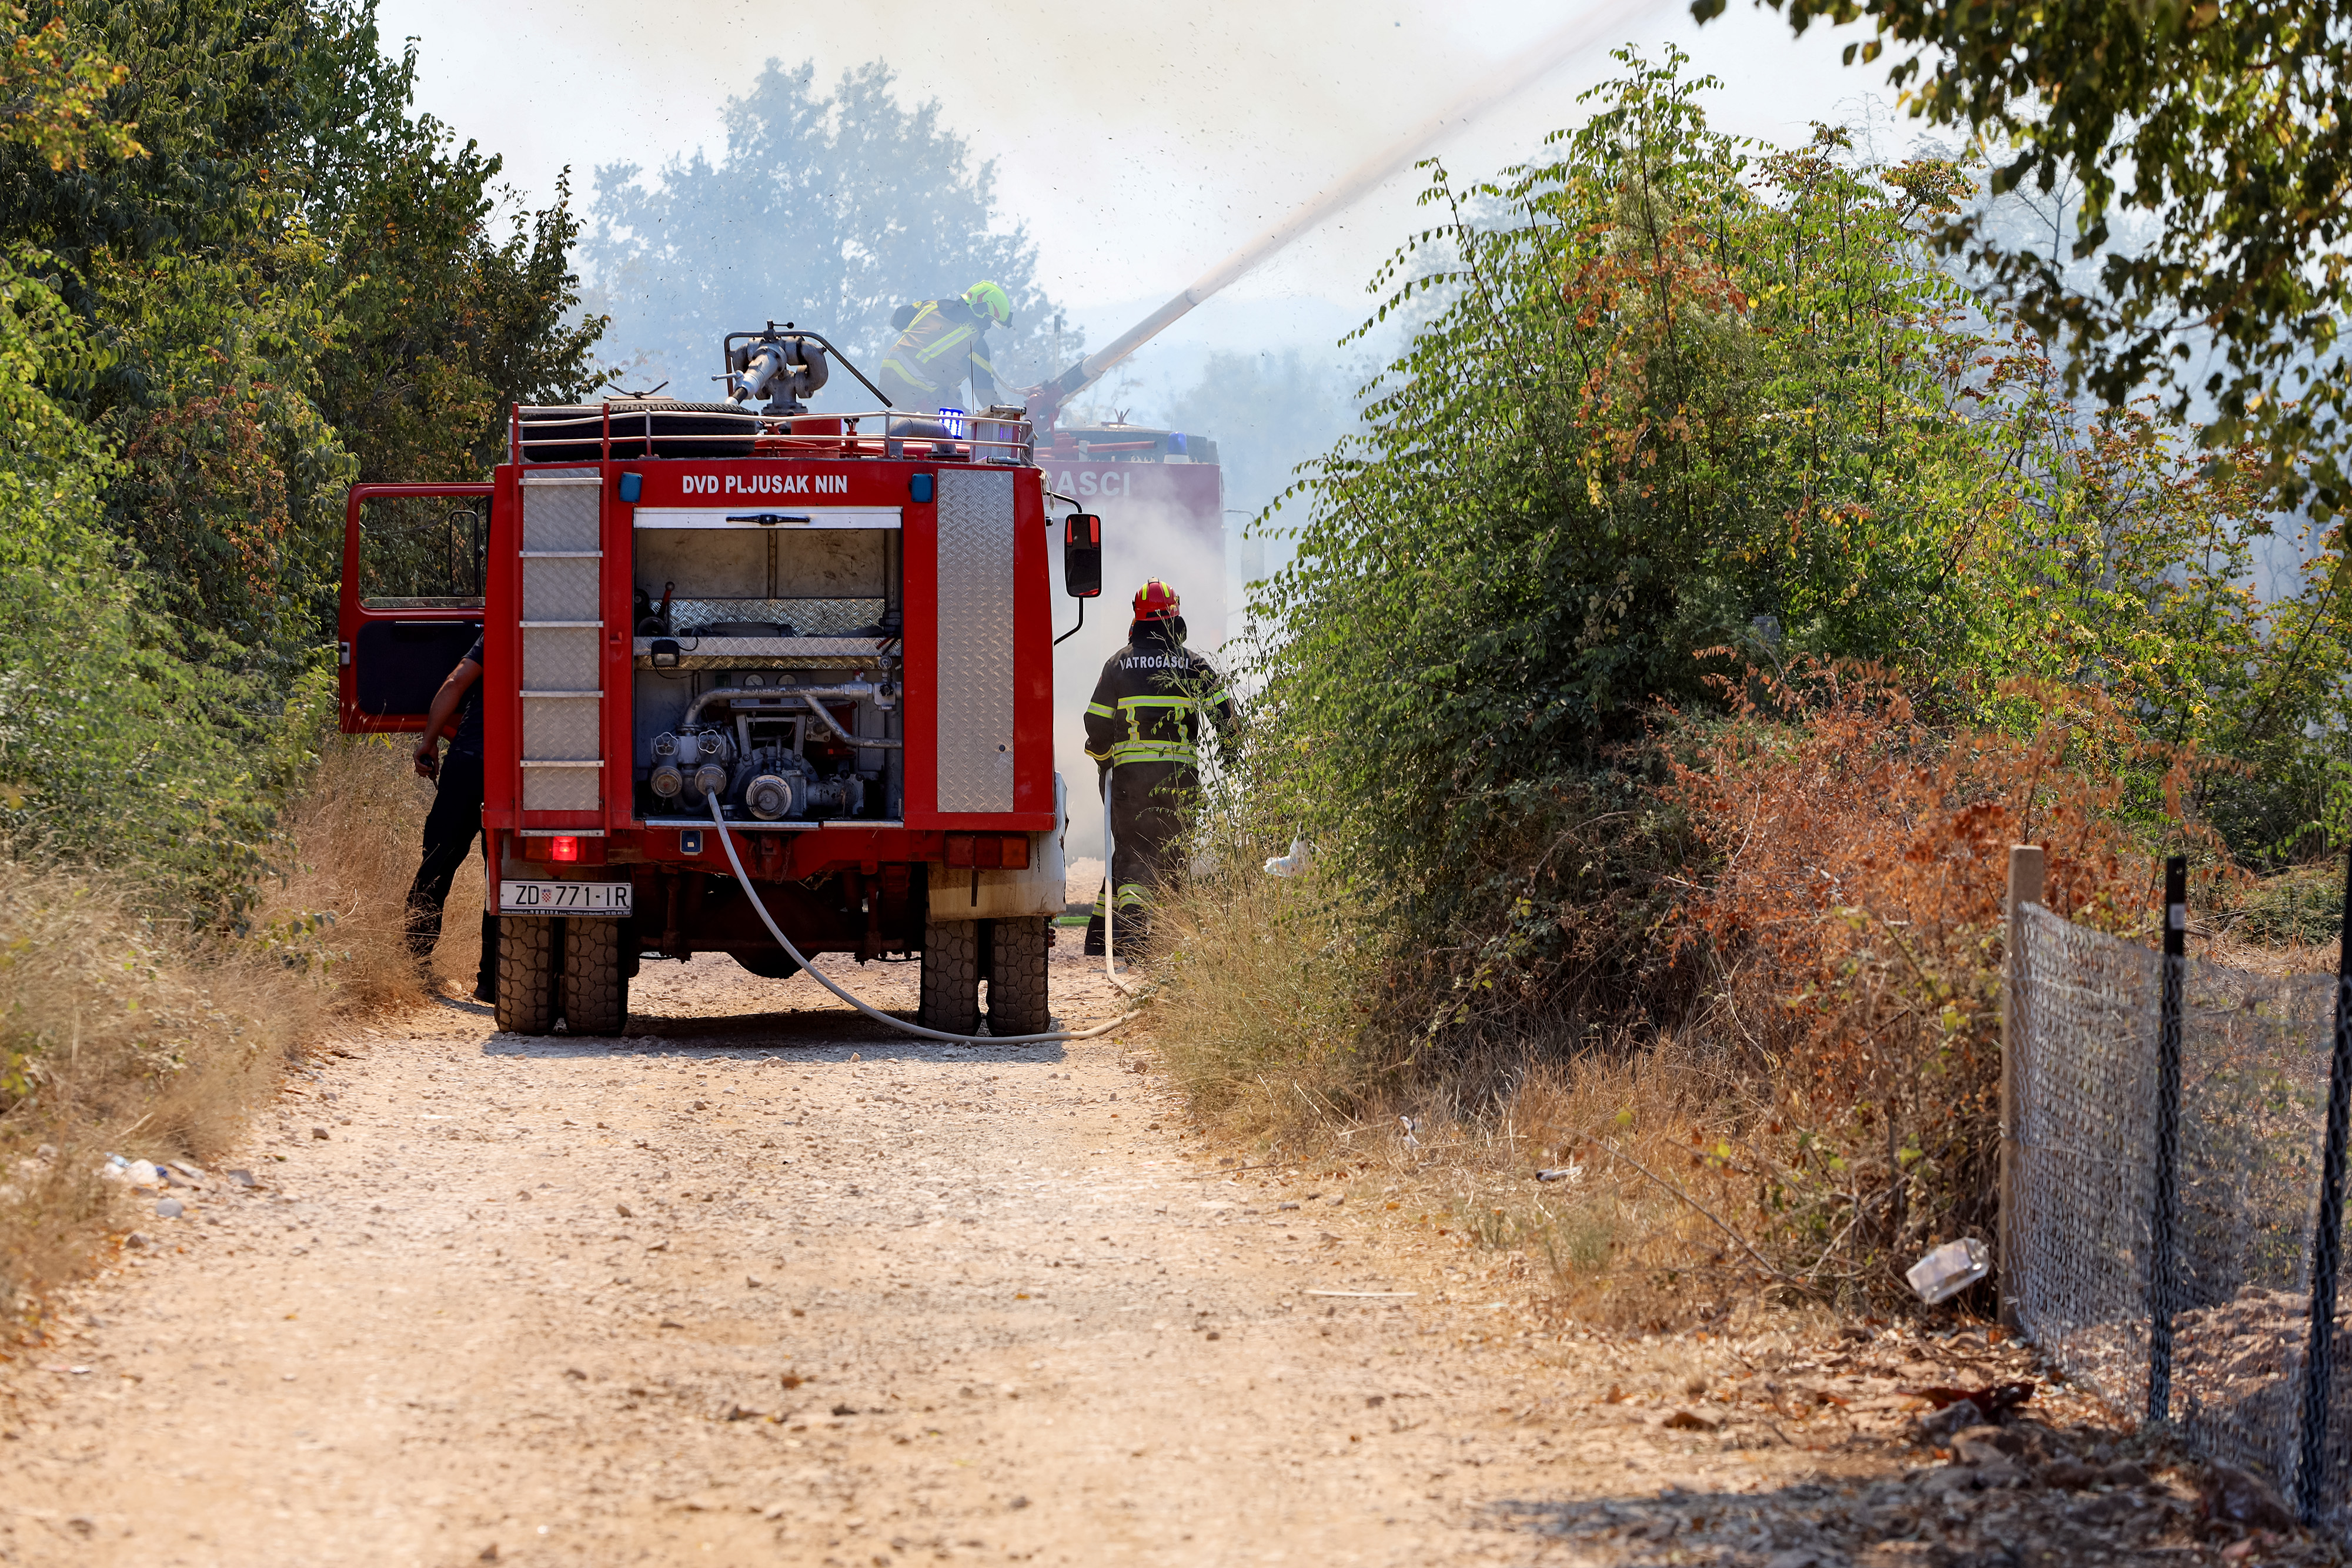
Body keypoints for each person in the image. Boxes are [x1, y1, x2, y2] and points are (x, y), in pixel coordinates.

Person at [1081, 580, 1234, 958]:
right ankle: (1117, 937)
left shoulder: (1118, 664)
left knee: (1132, 851)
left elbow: (1096, 724)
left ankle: (1122, 935)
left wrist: (1104, 763)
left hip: (1130, 782)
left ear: (1138, 617)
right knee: (1169, 853)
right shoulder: (1194, 663)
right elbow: (1226, 718)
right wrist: (1232, 758)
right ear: (1175, 616)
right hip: (1181, 781)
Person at [406, 634, 497, 1002]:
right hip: (525, 774)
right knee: (505, 877)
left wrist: (429, 741)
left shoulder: (499, 628)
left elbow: (455, 682)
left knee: (437, 864)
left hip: (469, 764)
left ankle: (414, 966)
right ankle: (493, 981)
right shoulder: (574, 635)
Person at [876, 281, 1012, 414]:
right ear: (982, 310)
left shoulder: (929, 306)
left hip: (886, 382)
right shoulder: (976, 345)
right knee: (970, 429)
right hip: (918, 391)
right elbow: (987, 397)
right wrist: (1010, 416)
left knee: (953, 393)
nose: (988, 327)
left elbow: (897, 319)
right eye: (990, 321)